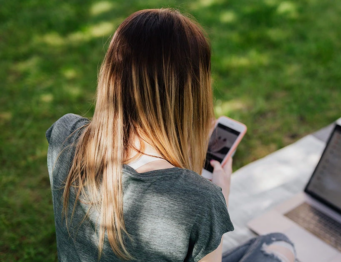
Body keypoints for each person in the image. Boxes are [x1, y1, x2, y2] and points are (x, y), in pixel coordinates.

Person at [45, 9, 296, 262]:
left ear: (112, 74)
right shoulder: (201, 200)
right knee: (278, 245)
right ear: (192, 92)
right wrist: (221, 196)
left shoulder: (64, 134)